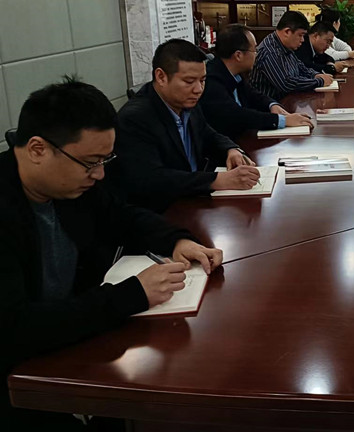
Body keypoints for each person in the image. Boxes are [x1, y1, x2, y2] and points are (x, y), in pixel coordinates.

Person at [0, 81, 222, 429]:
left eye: (105, 161)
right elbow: (14, 329)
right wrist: (131, 294)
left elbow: (122, 216)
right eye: (90, 163)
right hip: (19, 376)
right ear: (38, 149)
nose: (100, 174)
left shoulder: (71, 184)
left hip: (74, 341)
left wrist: (177, 240)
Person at [114, 39, 261, 213]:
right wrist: (217, 180)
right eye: (189, 81)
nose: (198, 89)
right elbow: (152, 179)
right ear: (161, 77)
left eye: (202, 80)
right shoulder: (135, 118)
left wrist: (231, 149)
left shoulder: (186, 101)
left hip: (194, 202)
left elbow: (207, 133)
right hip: (162, 211)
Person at [201, 24, 313, 139]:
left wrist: (272, 105)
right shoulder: (212, 80)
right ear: (238, 55)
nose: (257, 54)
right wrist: (282, 120)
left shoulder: (235, 74)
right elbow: (237, 115)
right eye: (255, 50)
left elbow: (253, 95)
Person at [249, 11, 334, 99]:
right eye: (300, 35)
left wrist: (315, 75)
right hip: (271, 104)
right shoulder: (270, 51)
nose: (302, 40)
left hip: (288, 100)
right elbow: (287, 83)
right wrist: (319, 81)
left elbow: (300, 66)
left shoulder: (284, 46)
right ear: (287, 32)